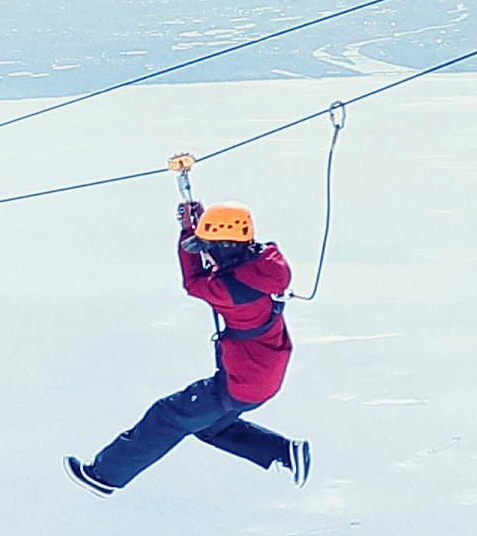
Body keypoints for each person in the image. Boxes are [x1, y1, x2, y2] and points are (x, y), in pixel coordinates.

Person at [67, 199, 310, 494]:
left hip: (244, 380)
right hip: (262, 374)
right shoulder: (264, 263)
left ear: (225, 247)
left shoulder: (231, 290)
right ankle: (284, 452)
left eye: (209, 247)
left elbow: (193, 282)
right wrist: (198, 228)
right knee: (209, 427)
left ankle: (103, 476)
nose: (205, 253)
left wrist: (186, 234)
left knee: (167, 416)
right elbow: (225, 258)